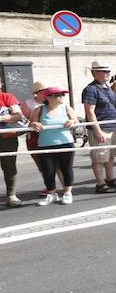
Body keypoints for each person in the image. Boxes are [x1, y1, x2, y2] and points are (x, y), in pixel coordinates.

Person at [28, 87, 78, 206]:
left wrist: (73, 122)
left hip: (65, 143)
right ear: (48, 97)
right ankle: (52, 194)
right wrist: (34, 123)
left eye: (62, 95)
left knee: (66, 168)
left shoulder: (66, 108)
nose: (61, 97)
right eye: (57, 95)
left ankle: (67, 193)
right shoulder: (39, 110)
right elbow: (31, 123)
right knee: (48, 171)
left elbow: (76, 120)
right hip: (45, 144)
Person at [82, 61, 116, 193]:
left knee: (110, 155)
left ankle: (110, 179)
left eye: (108, 71)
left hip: (112, 127)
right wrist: (97, 130)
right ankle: (100, 184)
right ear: (94, 73)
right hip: (101, 128)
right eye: (103, 71)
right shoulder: (91, 89)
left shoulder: (107, 87)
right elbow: (90, 111)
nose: (107, 74)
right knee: (99, 157)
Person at [0, 78, 24, 207]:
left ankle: (11, 196)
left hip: (6, 137)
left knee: (9, 166)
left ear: (1, 84)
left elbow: (18, 115)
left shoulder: (7, 97)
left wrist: (2, 118)